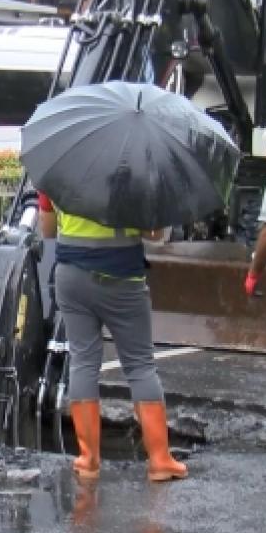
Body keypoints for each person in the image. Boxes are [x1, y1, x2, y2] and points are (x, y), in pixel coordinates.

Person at [38, 191, 187, 482]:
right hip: (121, 277)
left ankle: (88, 459)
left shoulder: (58, 167)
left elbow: (47, 229)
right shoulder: (132, 170)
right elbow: (156, 234)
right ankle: (159, 460)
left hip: (71, 275)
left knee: (82, 361)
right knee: (140, 366)